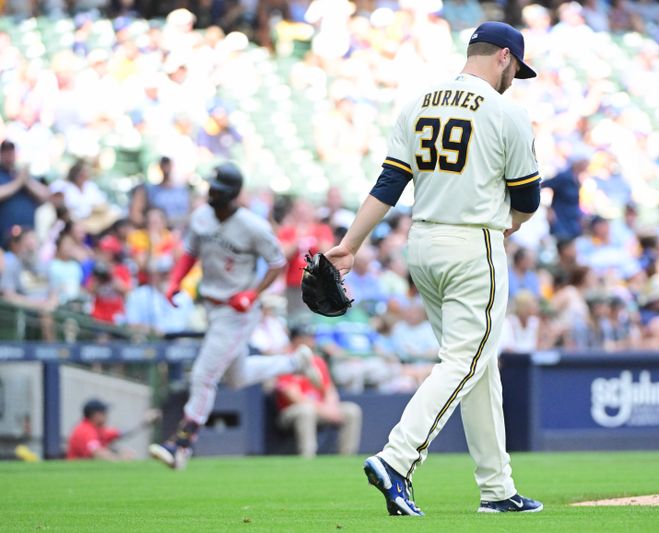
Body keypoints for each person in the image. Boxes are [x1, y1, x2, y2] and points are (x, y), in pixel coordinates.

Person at [325, 22, 543, 515]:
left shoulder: (418, 101)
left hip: (421, 243)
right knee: (465, 362)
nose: (516, 79)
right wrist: (514, 223)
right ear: (504, 57)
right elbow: (527, 198)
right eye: (517, 69)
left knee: (477, 367)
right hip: (473, 244)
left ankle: (497, 488)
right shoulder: (506, 111)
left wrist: (349, 245)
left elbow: (388, 184)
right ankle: (396, 460)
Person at [148, 163, 323, 470]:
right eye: (211, 187)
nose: (212, 193)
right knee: (237, 376)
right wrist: (175, 281)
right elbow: (190, 253)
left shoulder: (252, 225)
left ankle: (181, 444)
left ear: (232, 195)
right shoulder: (201, 216)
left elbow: (277, 262)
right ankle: (296, 362)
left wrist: (253, 294)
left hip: (238, 310)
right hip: (213, 306)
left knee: (204, 375)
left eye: (218, 189)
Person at [274, 326, 363, 458]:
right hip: (291, 411)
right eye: (307, 338)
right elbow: (293, 396)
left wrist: (331, 407)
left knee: (352, 410)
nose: (311, 342)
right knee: (306, 410)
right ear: (297, 340)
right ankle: (308, 456)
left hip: (320, 408)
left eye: (312, 338)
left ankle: (346, 458)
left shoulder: (317, 361)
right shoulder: (287, 361)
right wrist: (324, 410)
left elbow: (329, 390)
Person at [67, 399, 160, 460]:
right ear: (96, 415)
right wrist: (120, 458)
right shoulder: (85, 430)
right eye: (104, 413)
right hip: (76, 473)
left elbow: (122, 433)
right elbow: (97, 453)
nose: (107, 416)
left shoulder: (98, 429)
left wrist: (145, 423)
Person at [0, 140, 49, 238]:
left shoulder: (23, 175)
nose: (8, 155)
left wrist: (25, 180)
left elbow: (45, 196)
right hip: (5, 237)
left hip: (28, 235)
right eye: (5, 152)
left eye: (11, 152)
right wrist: (18, 182)